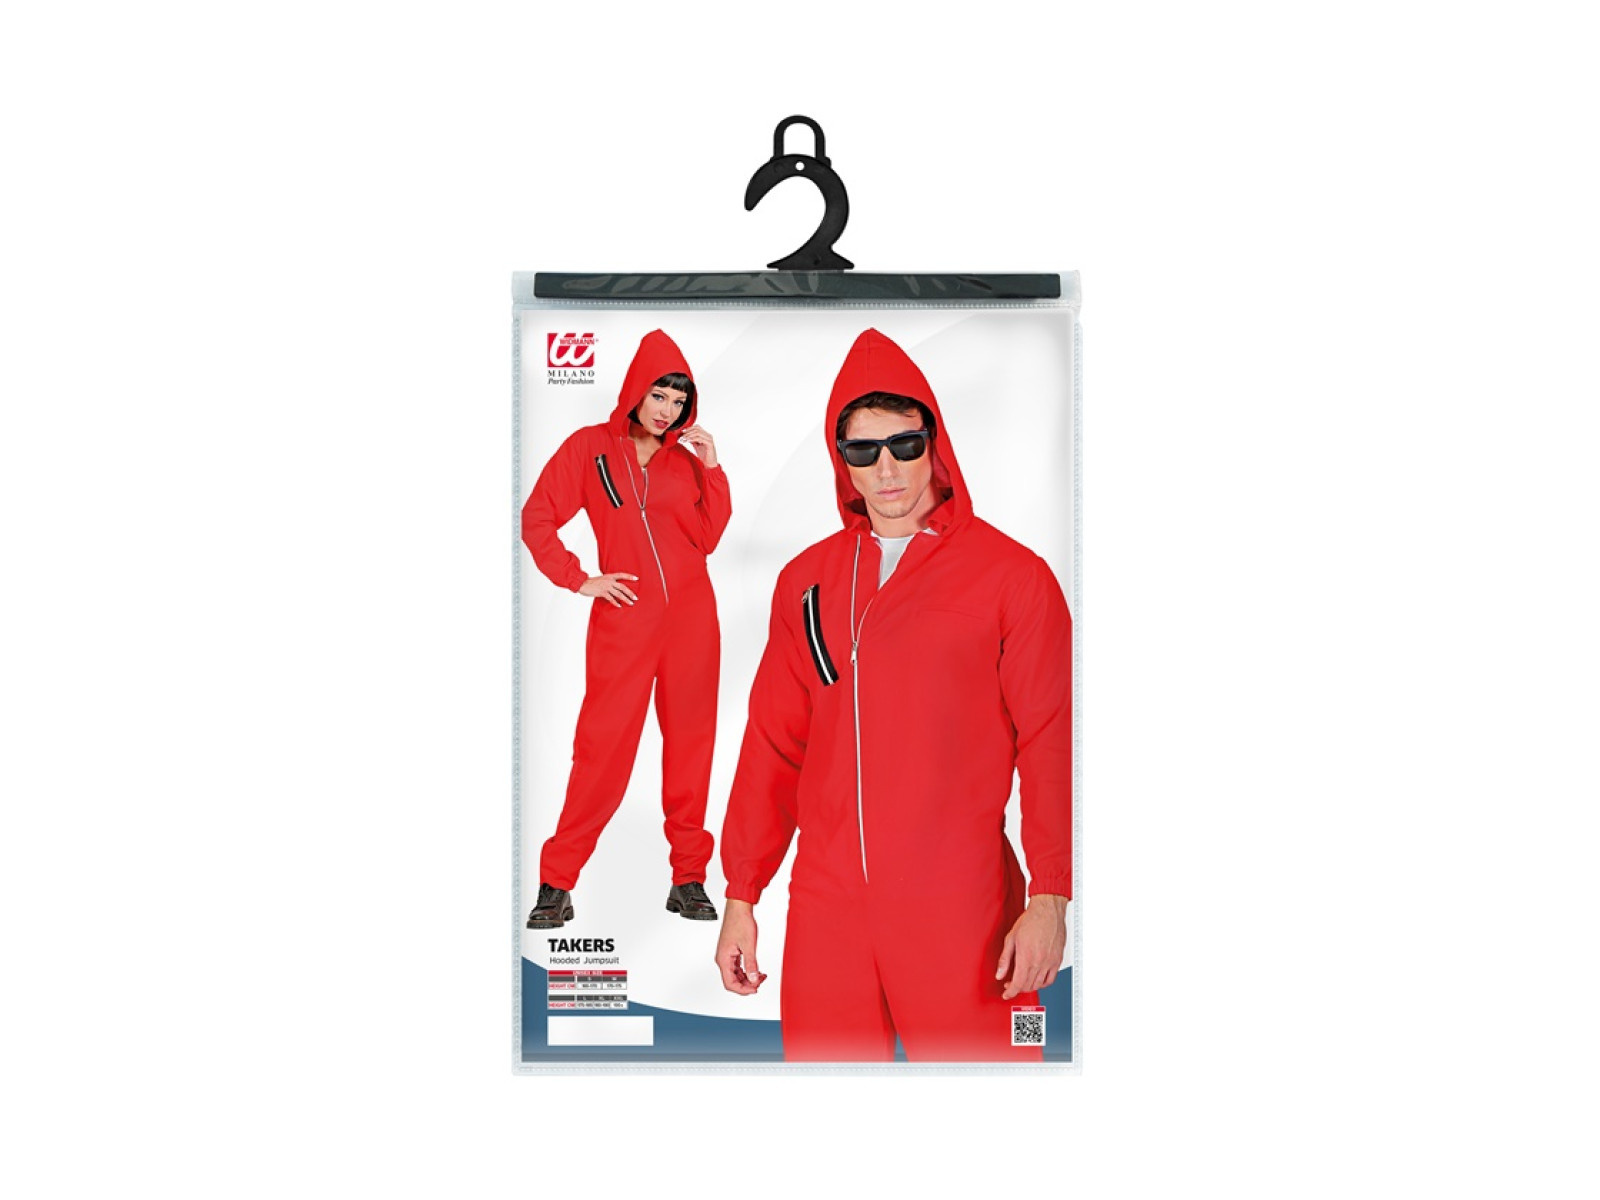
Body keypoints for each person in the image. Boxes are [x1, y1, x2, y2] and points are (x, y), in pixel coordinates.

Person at [715, 328, 1072, 1062]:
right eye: (863, 451)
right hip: (827, 907)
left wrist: (1050, 897)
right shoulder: (807, 582)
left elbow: (1051, 742)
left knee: (1000, 1088)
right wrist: (742, 896)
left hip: (962, 902)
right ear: (840, 460)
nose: (886, 469)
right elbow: (774, 744)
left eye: (904, 445)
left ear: (933, 445)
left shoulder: (1013, 577)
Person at [521, 329, 730, 929]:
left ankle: (688, 878)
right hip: (625, 620)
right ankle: (557, 882)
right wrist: (579, 578)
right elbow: (538, 518)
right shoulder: (590, 448)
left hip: (693, 620)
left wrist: (713, 469)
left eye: (679, 401)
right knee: (602, 749)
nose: (667, 410)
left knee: (691, 747)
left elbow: (708, 537)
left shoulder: (684, 460)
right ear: (637, 390)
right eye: (659, 395)